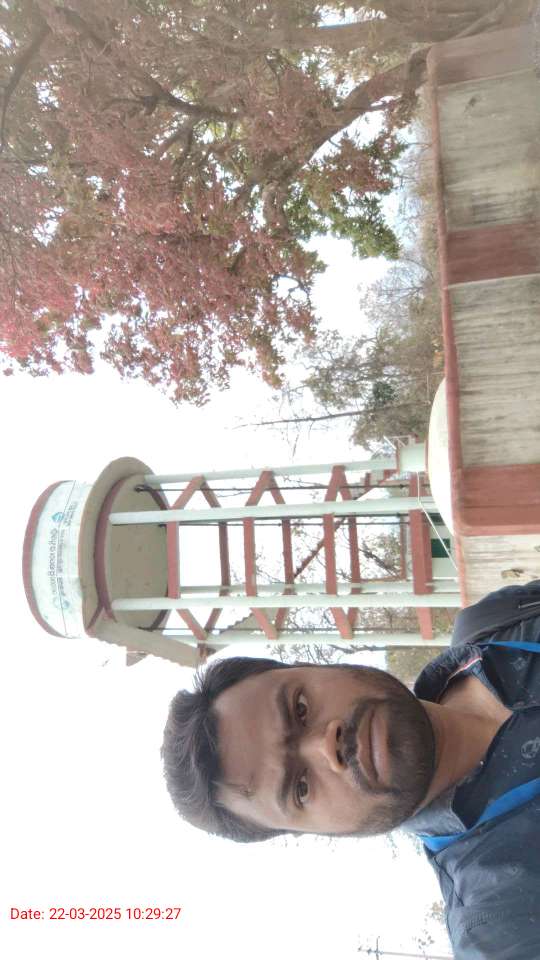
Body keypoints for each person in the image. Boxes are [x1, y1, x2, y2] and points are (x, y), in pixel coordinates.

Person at [162, 580, 540, 960]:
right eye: (300, 787)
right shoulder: (503, 930)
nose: (326, 746)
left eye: (300, 709)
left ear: (316, 666)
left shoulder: (497, 621)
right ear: (316, 832)